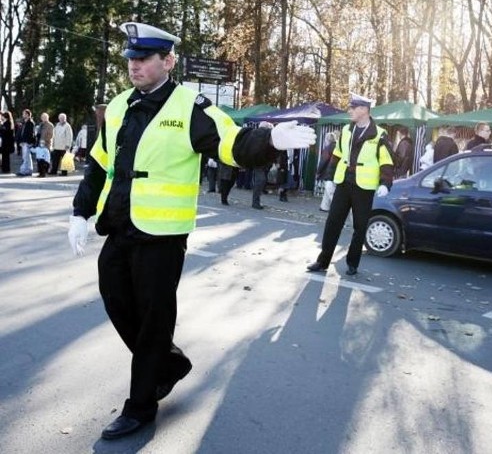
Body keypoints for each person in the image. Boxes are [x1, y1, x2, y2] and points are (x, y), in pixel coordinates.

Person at [67, 22, 315, 440]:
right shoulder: (118, 105)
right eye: (131, 59)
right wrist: (80, 211)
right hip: (121, 225)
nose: (135, 66)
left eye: (144, 59)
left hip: (162, 236)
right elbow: (98, 163)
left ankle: (141, 405)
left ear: (168, 61)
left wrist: (271, 140)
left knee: (153, 318)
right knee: (116, 300)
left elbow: (231, 143)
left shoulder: (190, 106)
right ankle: (169, 364)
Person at [306, 92, 394, 276]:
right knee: (332, 223)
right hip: (344, 183)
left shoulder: (379, 134)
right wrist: (329, 178)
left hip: (364, 187)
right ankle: (322, 262)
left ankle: (353, 263)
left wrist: (385, 182)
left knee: (360, 227)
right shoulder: (346, 130)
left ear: (364, 110)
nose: (350, 111)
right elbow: (337, 154)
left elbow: (386, 160)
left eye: (353, 108)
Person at [317, 132, 337, 211]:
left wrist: (318, 171)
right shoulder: (337, 147)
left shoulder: (328, 148)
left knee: (330, 190)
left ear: (327, 139)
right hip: (336, 171)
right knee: (328, 190)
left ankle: (336, 208)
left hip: (329, 172)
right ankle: (324, 206)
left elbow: (323, 161)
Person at [16, 109, 36, 176]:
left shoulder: (30, 123)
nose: (22, 115)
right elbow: (22, 133)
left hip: (27, 142)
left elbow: (31, 134)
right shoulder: (25, 122)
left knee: (25, 157)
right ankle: (29, 170)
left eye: (23, 114)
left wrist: (26, 142)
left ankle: (23, 171)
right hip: (24, 142)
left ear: (27, 114)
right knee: (27, 157)